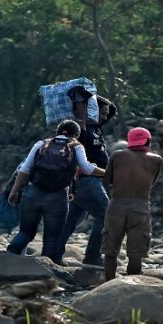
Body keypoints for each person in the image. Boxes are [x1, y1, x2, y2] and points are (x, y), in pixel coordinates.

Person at [6, 120, 105, 263]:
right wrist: (107, 173)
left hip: (32, 192)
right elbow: (87, 168)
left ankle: (10, 256)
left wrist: (14, 192)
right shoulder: (76, 146)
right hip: (57, 197)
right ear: (76, 135)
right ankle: (46, 269)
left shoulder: (41, 144)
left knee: (25, 232)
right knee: (52, 236)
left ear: (57, 132)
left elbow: (24, 169)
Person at [55, 95, 117, 267]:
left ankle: (54, 254)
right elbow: (75, 145)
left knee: (70, 220)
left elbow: (112, 111)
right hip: (86, 180)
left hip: (84, 183)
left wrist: (94, 98)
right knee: (106, 214)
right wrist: (82, 114)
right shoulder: (80, 128)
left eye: (105, 115)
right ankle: (92, 257)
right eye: (102, 113)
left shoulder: (96, 127)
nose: (105, 117)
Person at [101, 127, 163, 281]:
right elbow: (151, 183)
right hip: (140, 207)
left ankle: (108, 284)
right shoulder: (156, 159)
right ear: (148, 140)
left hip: (116, 206)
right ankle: (133, 285)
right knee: (136, 253)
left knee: (110, 251)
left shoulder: (117, 155)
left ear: (129, 141)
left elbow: (106, 181)